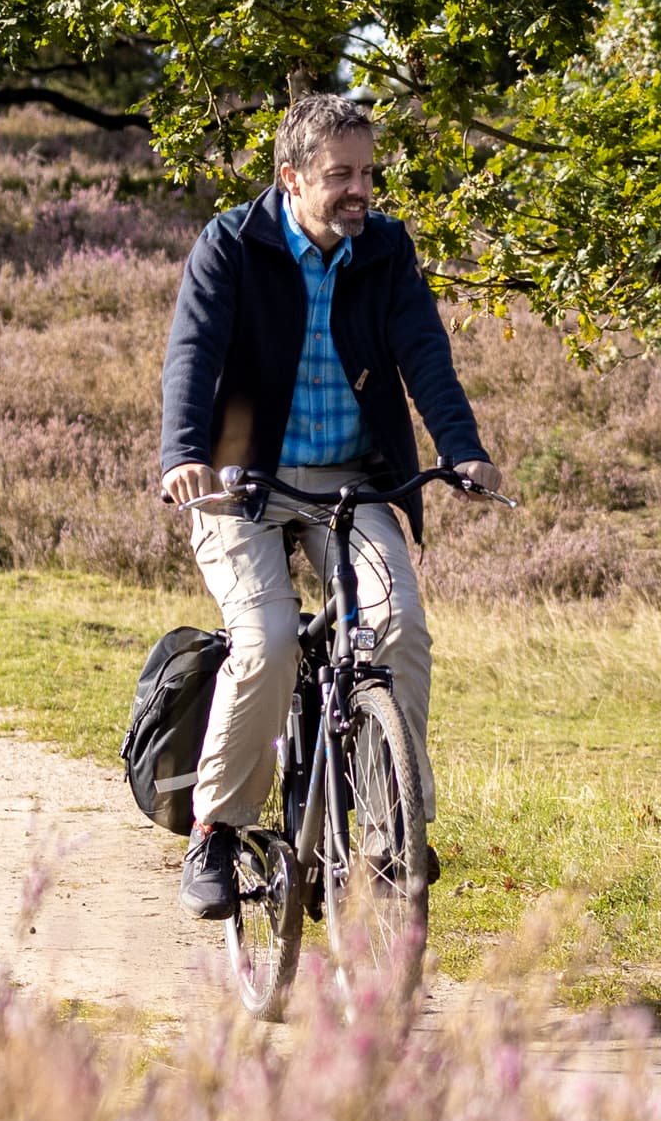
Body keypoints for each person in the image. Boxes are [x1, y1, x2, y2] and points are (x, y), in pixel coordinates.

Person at [157, 94, 508, 919]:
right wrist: (183, 457)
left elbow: (425, 354)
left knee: (399, 626)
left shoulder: (384, 249)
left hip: (353, 480)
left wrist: (462, 448)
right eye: (339, 175)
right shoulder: (231, 245)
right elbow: (192, 354)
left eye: (368, 173)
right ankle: (217, 830)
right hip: (240, 482)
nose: (360, 190)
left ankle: (392, 832)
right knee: (268, 638)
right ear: (291, 177)